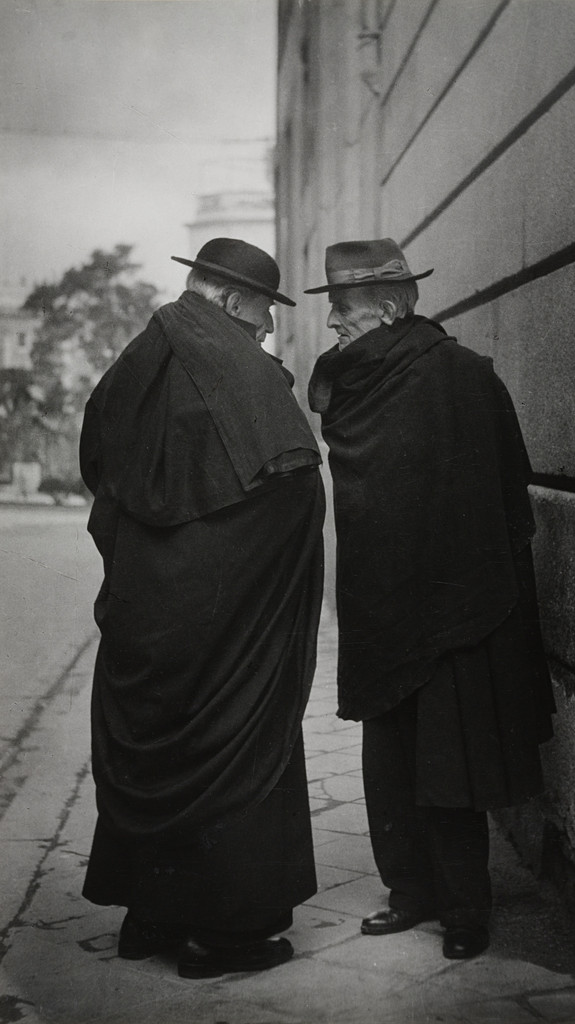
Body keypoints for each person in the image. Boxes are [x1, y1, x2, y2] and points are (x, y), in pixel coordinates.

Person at [80, 238, 325, 979]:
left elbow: (103, 472)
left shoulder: (138, 356)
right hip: (229, 624)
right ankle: (228, 939)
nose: (267, 332)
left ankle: (149, 918)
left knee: (153, 745)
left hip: (146, 612)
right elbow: (286, 490)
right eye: (260, 313)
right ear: (224, 300)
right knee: (235, 751)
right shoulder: (235, 366)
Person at [306, 238, 555, 961]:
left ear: (387, 307)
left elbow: (508, 495)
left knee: (449, 763)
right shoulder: (353, 382)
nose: (333, 324)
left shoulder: (461, 376)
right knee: (388, 761)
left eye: (343, 309)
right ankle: (408, 894)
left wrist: (468, 584)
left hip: (451, 609)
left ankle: (464, 910)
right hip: (380, 602)